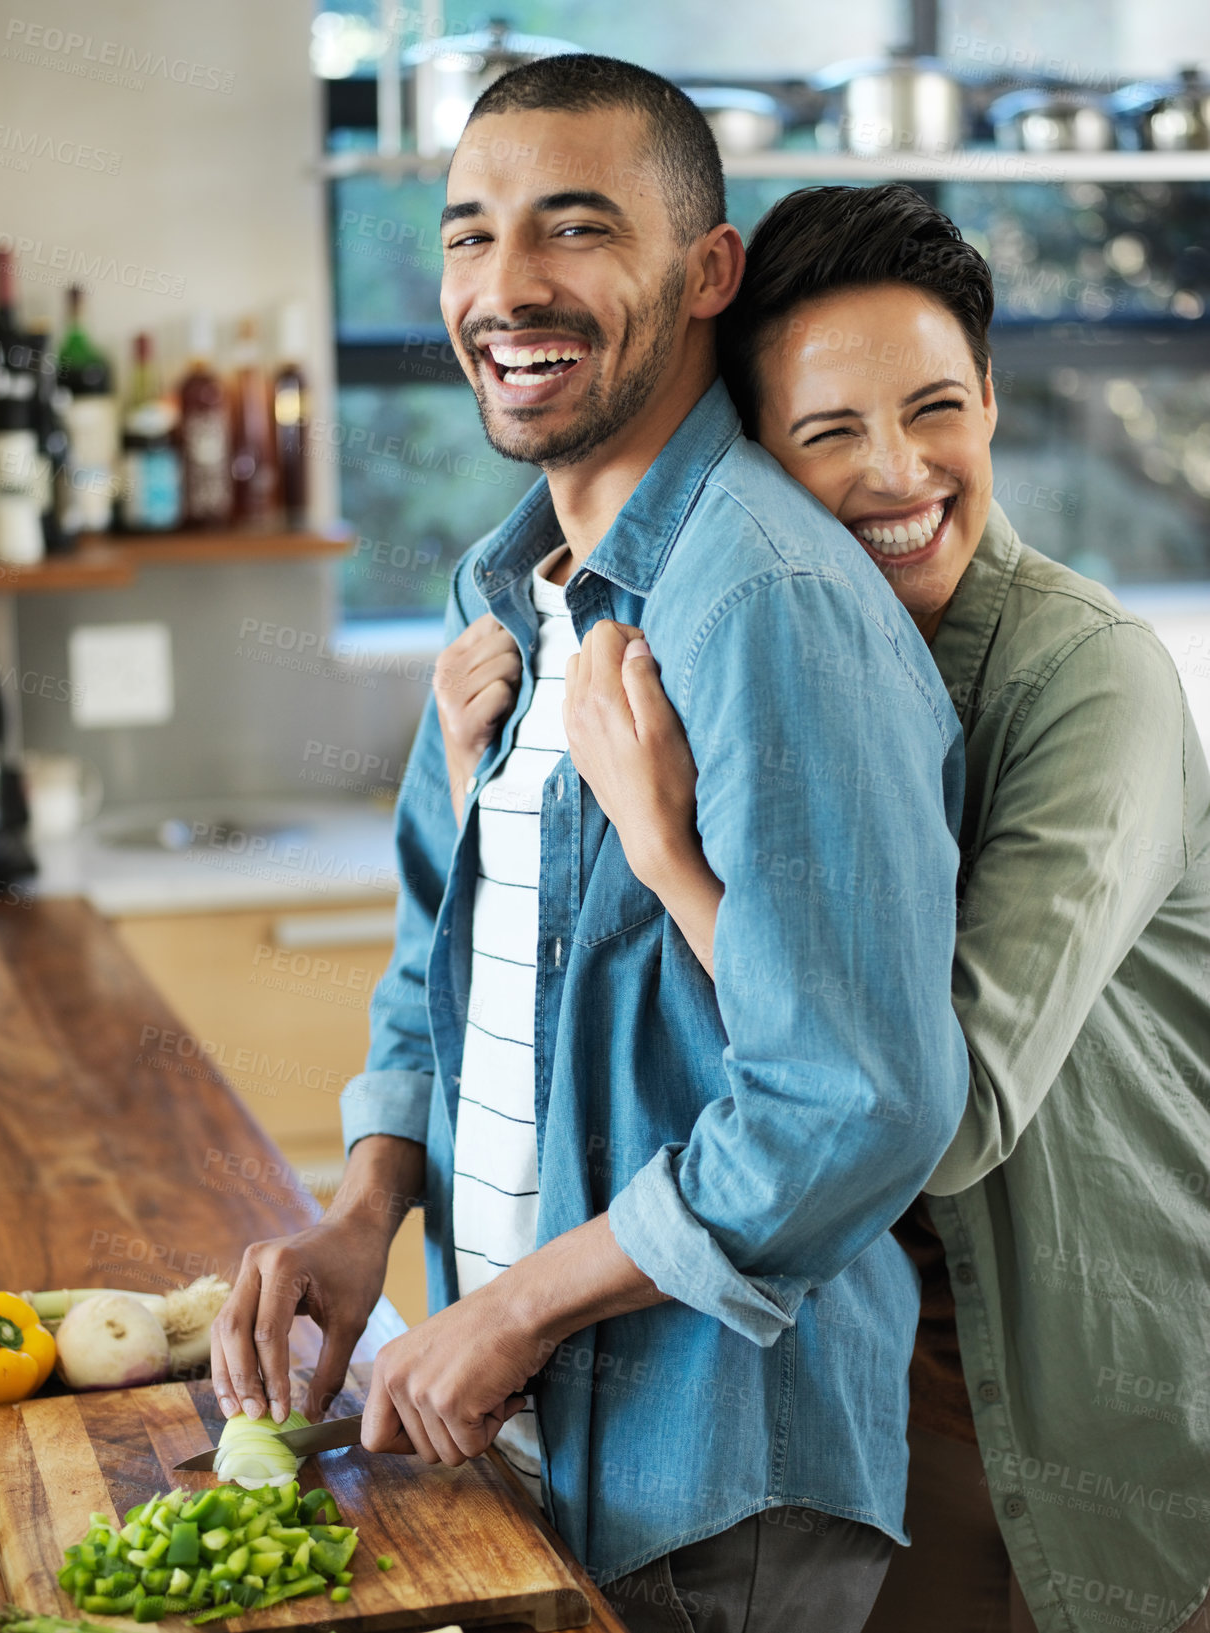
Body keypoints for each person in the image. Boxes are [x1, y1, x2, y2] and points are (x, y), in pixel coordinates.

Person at [211, 62, 971, 1633]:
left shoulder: (761, 603)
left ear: (707, 274)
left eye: (573, 229)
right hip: (530, 1434)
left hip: (712, 1477)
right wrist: (368, 1213)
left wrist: (510, 1310)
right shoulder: (506, 596)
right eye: (469, 236)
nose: (506, 289)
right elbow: (437, 962)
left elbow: (860, 1102)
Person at [554, 183, 1210, 1633]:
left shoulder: (1087, 679)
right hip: (869, 1384)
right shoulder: (769, 649)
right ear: (757, 456)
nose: (901, 471)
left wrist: (670, 856)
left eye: (936, 410)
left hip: (1076, 1396)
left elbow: (939, 1106)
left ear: (989, 397)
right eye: (830, 431)